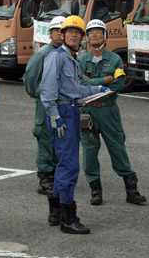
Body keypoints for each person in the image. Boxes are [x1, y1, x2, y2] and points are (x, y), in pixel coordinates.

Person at [40, 15, 106, 234]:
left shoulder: (71, 58)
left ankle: (57, 212)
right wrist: (54, 115)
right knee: (69, 166)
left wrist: (98, 90)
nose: (74, 35)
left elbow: (75, 90)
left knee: (63, 165)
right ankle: (68, 218)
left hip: (70, 109)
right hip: (62, 113)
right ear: (63, 34)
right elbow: (47, 89)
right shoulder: (56, 57)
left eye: (78, 33)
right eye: (70, 32)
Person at [78, 19, 146, 206]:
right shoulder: (80, 60)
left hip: (109, 111)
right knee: (90, 153)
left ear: (105, 36)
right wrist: (103, 81)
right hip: (88, 112)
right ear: (87, 37)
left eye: (98, 32)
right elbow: (78, 85)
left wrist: (92, 82)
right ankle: (96, 191)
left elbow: (118, 84)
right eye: (91, 32)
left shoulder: (115, 59)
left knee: (118, 149)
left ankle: (131, 190)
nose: (94, 35)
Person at [23, 16, 66, 197]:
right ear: (50, 33)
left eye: (62, 31)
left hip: (62, 102)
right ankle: (45, 178)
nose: (59, 34)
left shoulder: (67, 53)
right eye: (56, 31)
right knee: (45, 136)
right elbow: (30, 78)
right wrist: (38, 94)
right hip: (45, 102)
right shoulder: (42, 53)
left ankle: (56, 175)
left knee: (60, 136)